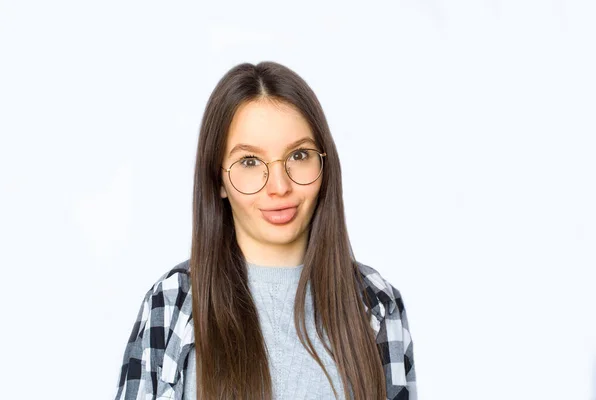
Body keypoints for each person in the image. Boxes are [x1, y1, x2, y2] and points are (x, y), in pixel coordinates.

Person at [114, 61, 417, 400]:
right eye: (249, 162)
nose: (279, 186)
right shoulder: (174, 302)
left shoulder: (375, 302)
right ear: (218, 179)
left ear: (324, 164)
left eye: (299, 155)